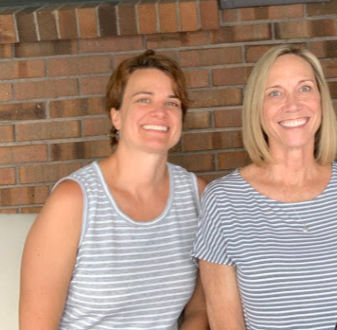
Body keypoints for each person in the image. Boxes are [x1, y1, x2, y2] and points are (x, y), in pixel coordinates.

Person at [192, 45, 337, 329]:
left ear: (321, 99)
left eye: (305, 88)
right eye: (275, 92)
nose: (293, 104)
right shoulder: (224, 200)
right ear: (256, 108)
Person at [19, 50, 208, 329]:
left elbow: (199, 310)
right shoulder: (73, 201)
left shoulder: (198, 197)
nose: (160, 111)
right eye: (143, 99)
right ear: (116, 116)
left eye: (172, 102)